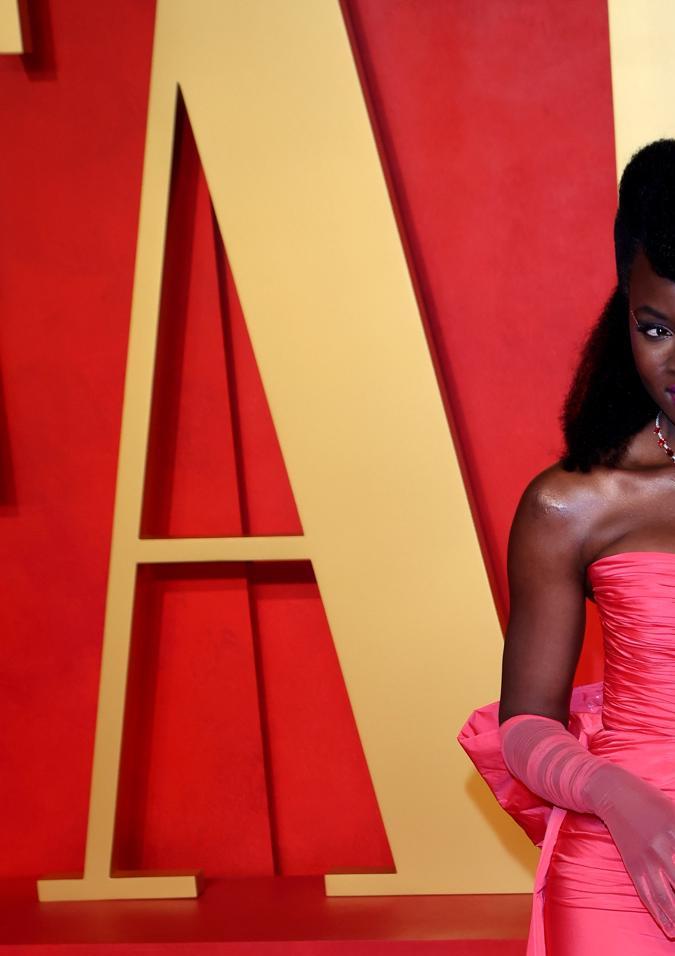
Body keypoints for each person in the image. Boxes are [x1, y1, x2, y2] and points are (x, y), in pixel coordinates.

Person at [459, 138, 675, 955]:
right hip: (620, 862)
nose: (673, 361)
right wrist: (615, 795)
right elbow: (524, 726)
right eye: (652, 327)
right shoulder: (572, 502)